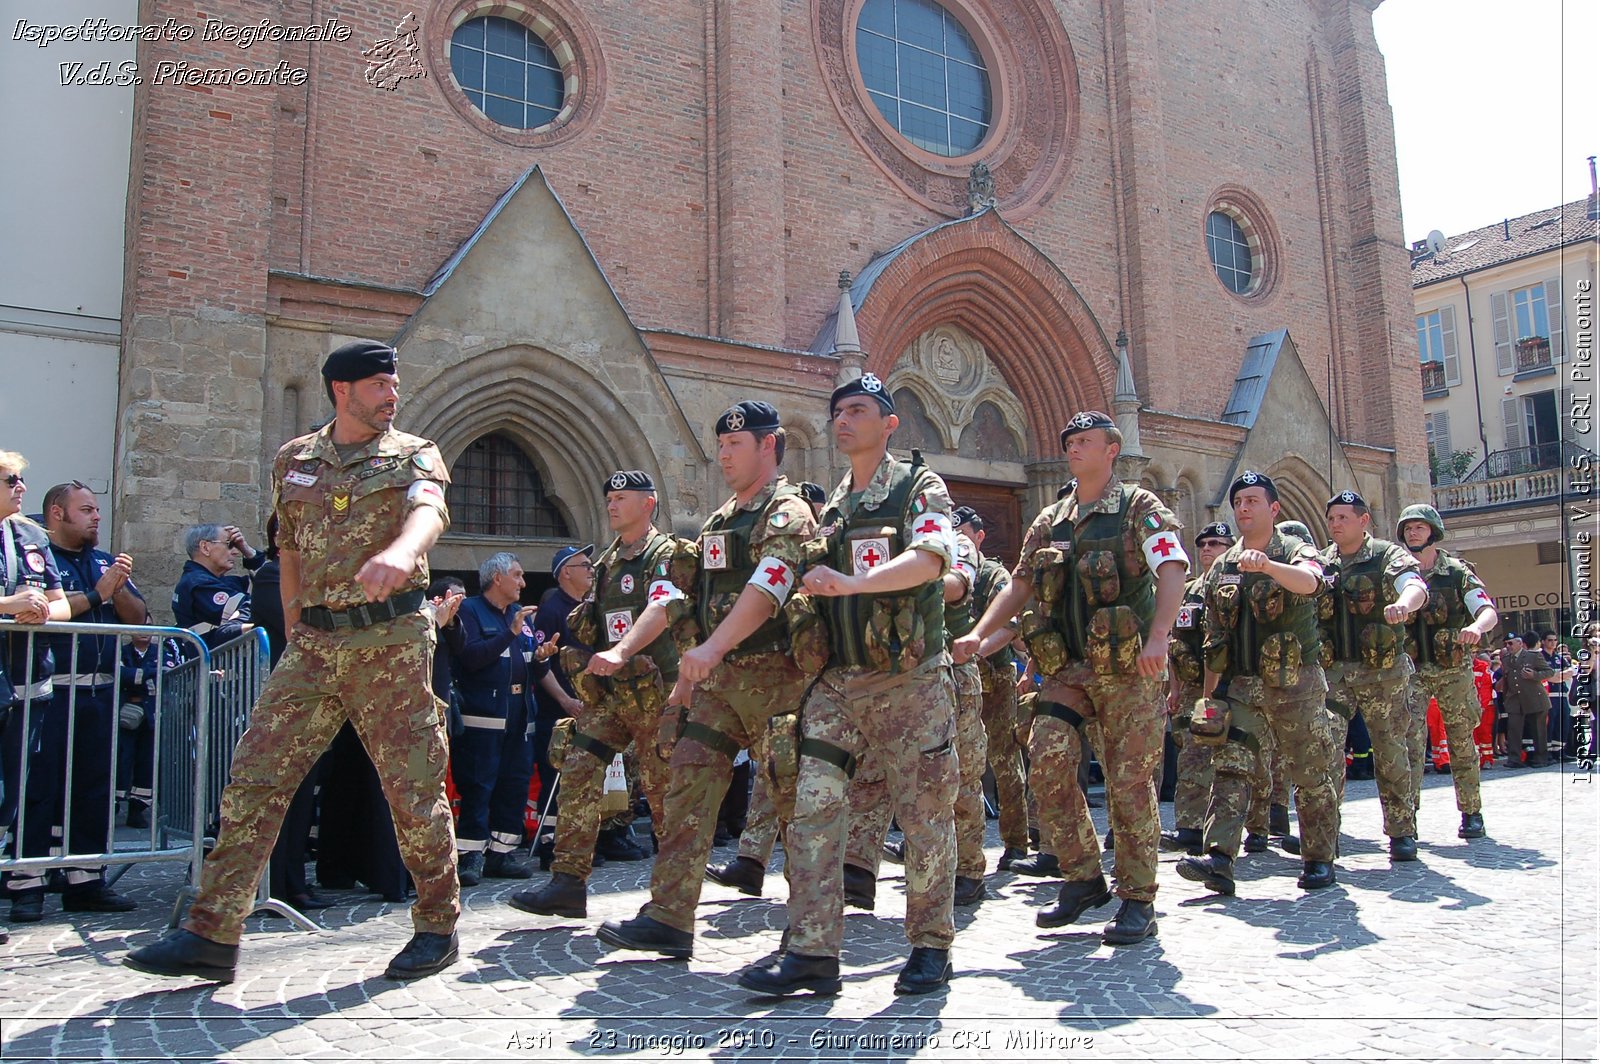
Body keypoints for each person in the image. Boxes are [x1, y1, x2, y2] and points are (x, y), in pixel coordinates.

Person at [124, 339, 460, 983]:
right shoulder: (295, 461)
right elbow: (291, 550)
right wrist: (295, 620)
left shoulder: (414, 451)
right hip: (314, 646)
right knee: (255, 776)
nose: (392, 395)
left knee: (413, 786)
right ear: (342, 390)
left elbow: (428, 509)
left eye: (394, 385)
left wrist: (402, 552)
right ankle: (212, 933)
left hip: (389, 641)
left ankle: (436, 925)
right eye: (378, 386)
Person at [737, 373, 959, 997]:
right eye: (836, 411)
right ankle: (811, 951)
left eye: (858, 410)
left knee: (922, 816)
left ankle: (930, 944)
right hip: (839, 684)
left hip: (909, 680)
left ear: (890, 423)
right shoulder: (829, 508)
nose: (843, 420)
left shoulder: (920, 487)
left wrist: (855, 584)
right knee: (812, 808)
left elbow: (933, 558)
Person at [595, 400, 818, 959]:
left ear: (769, 446)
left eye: (735, 445)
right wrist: (684, 686)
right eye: (719, 444)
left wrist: (713, 649)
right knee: (688, 783)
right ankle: (670, 915)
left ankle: (810, 931)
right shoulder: (721, 520)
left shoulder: (787, 512)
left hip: (777, 680)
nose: (723, 454)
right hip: (719, 685)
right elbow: (687, 601)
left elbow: (770, 589)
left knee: (795, 802)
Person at [956, 410, 1186, 944]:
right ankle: (1082, 877)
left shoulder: (1138, 508)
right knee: (1047, 762)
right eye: (1070, 442)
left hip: (1129, 669)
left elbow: (1172, 570)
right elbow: (1020, 585)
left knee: (1130, 784)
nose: (1075, 449)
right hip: (1068, 670)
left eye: (1086, 441)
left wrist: (1158, 639)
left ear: (1112, 449)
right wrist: (978, 634)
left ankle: (1137, 898)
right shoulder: (1051, 518)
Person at [508, 470, 693, 920]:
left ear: (647, 504)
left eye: (621, 498)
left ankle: (671, 903)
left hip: (657, 694)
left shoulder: (665, 554)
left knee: (665, 794)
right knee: (577, 766)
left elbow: (664, 605)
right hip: (612, 696)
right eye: (608, 497)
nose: (611, 504)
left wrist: (622, 649)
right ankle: (567, 883)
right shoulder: (609, 560)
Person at [1173, 473, 1340, 896]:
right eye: (1239, 502)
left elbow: (1312, 582)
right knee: (1232, 768)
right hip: (1242, 685)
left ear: (1273, 509)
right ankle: (1220, 858)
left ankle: (1319, 857)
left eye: (1252, 501)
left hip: (1295, 682)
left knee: (1310, 770)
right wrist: (1209, 698)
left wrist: (1268, 566)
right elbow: (1215, 638)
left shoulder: (1296, 550)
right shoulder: (1224, 566)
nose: (1244, 508)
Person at [12, 481, 150, 921]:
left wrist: (118, 585)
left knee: (94, 787)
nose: (96, 517)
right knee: (39, 786)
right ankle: (26, 883)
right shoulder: (39, 557)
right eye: (86, 510)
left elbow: (139, 621)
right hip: (52, 691)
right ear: (57, 513)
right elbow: (47, 611)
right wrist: (99, 593)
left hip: (101, 689)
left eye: (96, 510)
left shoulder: (104, 561)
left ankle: (85, 879)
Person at [1319, 490, 1428, 862]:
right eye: (1331, 518)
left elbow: (1413, 585)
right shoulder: (1321, 562)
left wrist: (1403, 604)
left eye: (1343, 518)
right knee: (1326, 752)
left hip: (1380, 672)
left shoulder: (1386, 555)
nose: (1335, 524)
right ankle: (1324, 836)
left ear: (1363, 520)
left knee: (1390, 749)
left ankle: (1401, 830)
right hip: (1333, 673)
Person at [0, 452, 72, 942]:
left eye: (23, 479)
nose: (22, 487)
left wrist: (42, 611)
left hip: (27, 683)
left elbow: (61, 602)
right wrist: (10, 606)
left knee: (8, 799)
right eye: (11, 479)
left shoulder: (29, 537)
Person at [1396, 505, 1499, 839]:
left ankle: (1471, 811)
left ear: (1433, 532)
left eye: (1419, 528)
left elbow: (1486, 609)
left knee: (1460, 739)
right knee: (1409, 744)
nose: (1413, 533)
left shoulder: (1456, 572)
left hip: (1452, 667)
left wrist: (1476, 628)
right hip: (1412, 670)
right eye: (1408, 528)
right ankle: (1406, 818)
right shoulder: (1399, 572)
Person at [442, 552, 539, 884]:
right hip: (483, 718)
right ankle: (471, 856)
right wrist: (509, 634)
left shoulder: (518, 614)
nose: (523, 583)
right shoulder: (469, 610)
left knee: (513, 786)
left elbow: (528, 662)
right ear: (497, 578)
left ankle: (503, 853)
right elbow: (470, 658)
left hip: (519, 718)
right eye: (517, 575)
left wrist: (542, 658)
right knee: (479, 786)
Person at [955, 506, 1031, 874]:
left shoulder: (992, 575)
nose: (959, 542)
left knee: (1003, 759)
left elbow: (1011, 625)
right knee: (948, 763)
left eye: (965, 534)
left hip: (993, 678)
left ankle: (1016, 841)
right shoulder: (945, 572)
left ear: (980, 537)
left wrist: (975, 651)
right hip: (954, 682)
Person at [1162, 522, 1235, 855]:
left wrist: (1209, 695)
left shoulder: (1235, 585)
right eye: (1203, 543)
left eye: (1216, 543)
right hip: (1194, 688)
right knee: (1191, 757)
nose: (1207, 549)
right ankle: (1190, 827)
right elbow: (1174, 641)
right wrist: (1175, 688)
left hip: (1231, 686)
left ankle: (1259, 825)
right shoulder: (1188, 591)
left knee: (1236, 761)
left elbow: (1218, 647)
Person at [527, 546, 592, 866]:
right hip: (559, 711)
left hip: (588, 706)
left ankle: (579, 839)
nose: (591, 570)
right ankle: (551, 843)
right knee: (556, 777)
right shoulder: (553, 610)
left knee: (582, 778)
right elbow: (542, 664)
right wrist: (565, 700)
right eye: (584, 565)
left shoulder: (588, 607)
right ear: (566, 572)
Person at [171, 524, 264, 653]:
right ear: (205, 547)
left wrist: (249, 553)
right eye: (229, 544)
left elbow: (269, 583)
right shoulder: (196, 584)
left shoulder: (223, 582)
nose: (236, 551)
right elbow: (257, 608)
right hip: (215, 669)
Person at [1503, 631, 1557, 768]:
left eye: (1511, 643)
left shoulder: (1533, 656)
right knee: (1513, 729)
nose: (1508, 646)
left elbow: (1549, 672)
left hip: (1535, 697)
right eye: (1506, 644)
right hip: (1515, 699)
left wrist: (1534, 675)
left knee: (1538, 730)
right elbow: (1507, 680)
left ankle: (1541, 758)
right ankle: (1514, 759)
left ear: (1520, 643)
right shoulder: (1506, 659)